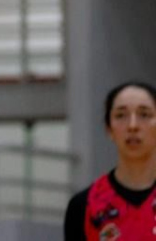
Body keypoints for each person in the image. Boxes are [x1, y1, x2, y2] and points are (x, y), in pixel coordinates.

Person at [64, 81, 156, 240]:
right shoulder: (84, 205)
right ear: (109, 128)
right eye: (121, 115)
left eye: (144, 114)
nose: (133, 126)